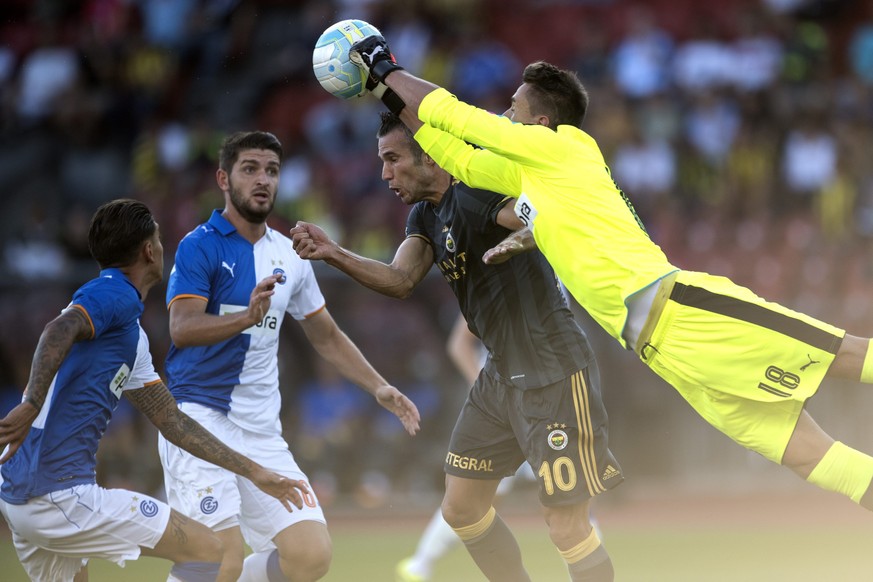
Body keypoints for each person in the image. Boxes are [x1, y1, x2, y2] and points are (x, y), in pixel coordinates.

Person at [348, 38, 873, 519]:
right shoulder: (533, 177)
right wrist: (389, 98)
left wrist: (384, 69)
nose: (504, 114)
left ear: (542, 124)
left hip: (685, 309)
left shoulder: (566, 148)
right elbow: (454, 152)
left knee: (845, 356)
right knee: (804, 452)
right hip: (664, 353)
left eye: (514, 108)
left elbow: (458, 118)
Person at [291, 112, 621, 582]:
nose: (385, 174)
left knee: (565, 526)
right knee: (461, 508)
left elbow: (543, 213)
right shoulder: (425, 213)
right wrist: (335, 253)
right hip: (501, 373)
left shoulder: (479, 190)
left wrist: (534, 227)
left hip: (553, 369)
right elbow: (401, 279)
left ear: (428, 155)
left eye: (392, 159)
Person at [0, 198, 308, 582]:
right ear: (149, 249)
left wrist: (255, 472)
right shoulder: (115, 295)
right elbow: (57, 330)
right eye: (160, 240)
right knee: (209, 550)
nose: (164, 248)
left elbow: (173, 423)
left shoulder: (130, 337)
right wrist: (30, 403)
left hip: (18, 496)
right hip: (58, 496)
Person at [160, 130, 421, 582]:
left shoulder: (289, 254)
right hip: (198, 420)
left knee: (310, 556)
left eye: (272, 170)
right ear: (224, 178)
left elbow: (326, 336)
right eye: (250, 169)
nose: (263, 180)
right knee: (218, 559)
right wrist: (245, 318)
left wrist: (378, 385)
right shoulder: (199, 245)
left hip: (261, 433)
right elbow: (182, 329)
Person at [395, 314, 538, 582]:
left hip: (543, 401)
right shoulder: (498, 278)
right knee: (472, 501)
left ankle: (421, 563)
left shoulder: (559, 280)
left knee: (569, 495)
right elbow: (459, 343)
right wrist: (485, 394)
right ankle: (421, 563)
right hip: (505, 409)